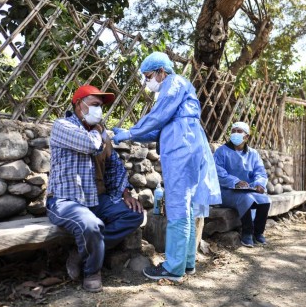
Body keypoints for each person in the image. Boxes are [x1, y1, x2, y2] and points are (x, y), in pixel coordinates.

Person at [112, 51, 221, 282]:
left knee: (178, 206)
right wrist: (129, 136)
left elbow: (157, 117)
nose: (146, 81)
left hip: (182, 149)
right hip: (185, 146)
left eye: (149, 75)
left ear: (162, 71)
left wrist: (131, 131)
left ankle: (173, 268)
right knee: (186, 206)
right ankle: (187, 263)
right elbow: (155, 129)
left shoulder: (174, 82)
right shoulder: (175, 94)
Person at [46, 85, 145, 293]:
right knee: (92, 225)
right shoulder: (63, 126)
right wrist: (101, 132)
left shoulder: (100, 133)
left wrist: (125, 193)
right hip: (66, 201)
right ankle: (92, 271)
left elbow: (114, 165)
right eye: (95, 105)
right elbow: (90, 145)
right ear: (79, 105)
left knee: (134, 215)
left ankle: (80, 253)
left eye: (101, 106)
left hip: (97, 199)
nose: (99, 111)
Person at [212, 121, 271, 247]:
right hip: (226, 192)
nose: (235, 134)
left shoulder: (253, 154)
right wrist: (236, 182)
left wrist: (259, 184)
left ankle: (258, 233)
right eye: (233, 131)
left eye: (239, 131)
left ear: (246, 137)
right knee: (246, 198)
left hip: (247, 190)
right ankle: (247, 233)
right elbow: (218, 172)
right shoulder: (221, 152)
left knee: (265, 199)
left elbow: (260, 172)